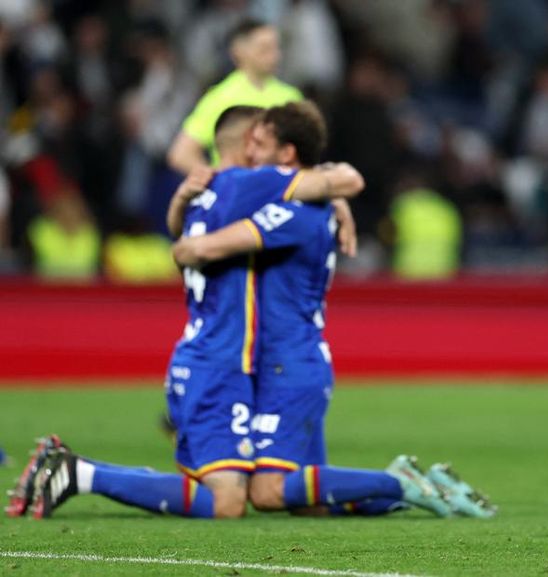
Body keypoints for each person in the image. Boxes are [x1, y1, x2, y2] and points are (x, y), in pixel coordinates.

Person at [7, 105, 364, 520]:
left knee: (297, 498)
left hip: (207, 353)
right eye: (260, 141)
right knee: (233, 500)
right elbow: (348, 178)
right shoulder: (252, 185)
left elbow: (184, 234)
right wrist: (333, 195)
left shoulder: (203, 192)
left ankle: (397, 490)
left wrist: (180, 213)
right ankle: (81, 474)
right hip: (220, 360)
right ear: (249, 144)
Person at [171, 101, 495, 519]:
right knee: (311, 506)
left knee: (267, 492)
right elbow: (339, 181)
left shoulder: (289, 206)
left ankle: (400, 483)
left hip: (287, 363)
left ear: (286, 155)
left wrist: (191, 246)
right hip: (285, 359)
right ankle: (411, 492)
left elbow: (216, 242)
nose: (252, 152)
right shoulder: (302, 199)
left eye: (261, 143)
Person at [166, 18, 302, 175]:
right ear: (239, 51)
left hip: (281, 193)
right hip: (238, 194)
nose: (275, 55)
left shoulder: (291, 96)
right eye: (264, 49)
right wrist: (217, 180)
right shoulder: (220, 97)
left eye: (276, 48)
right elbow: (181, 154)